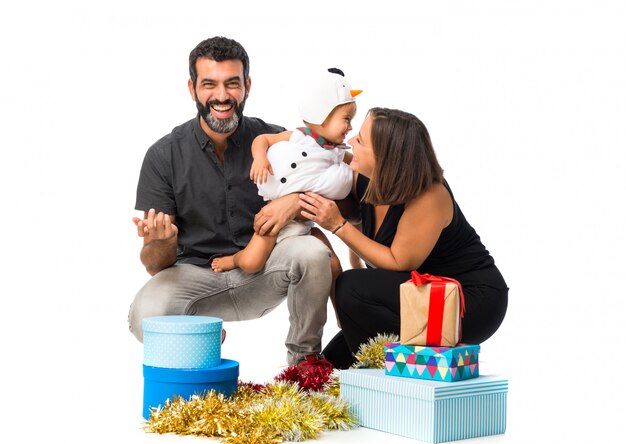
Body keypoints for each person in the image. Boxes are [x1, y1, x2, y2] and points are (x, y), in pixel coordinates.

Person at [129, 36, 334, 368]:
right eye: (209, 84)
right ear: (192, 88)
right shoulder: (163, 155)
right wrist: (164, 241)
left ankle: (304, 363)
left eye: (232, 84)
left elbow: (330, 192)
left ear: (247, 86)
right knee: (145, 316)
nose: (222, 96)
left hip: (265, 271)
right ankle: (205, 335)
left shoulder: (276, 141)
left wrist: (294, 200)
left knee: (311, 251)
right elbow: (155, 265)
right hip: (197, 281)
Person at [297, 107, 509, 369]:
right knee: (332, 362)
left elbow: (398, 262)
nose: (351, 142)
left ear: (386, 158)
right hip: (419, 296)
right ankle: (368, 379)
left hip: (469, 300)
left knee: (350, 287)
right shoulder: (365, 175)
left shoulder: (429, 195)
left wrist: (338, 225)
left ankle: (383, 386)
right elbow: (313, 170)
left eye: (361, 141)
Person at [210, 69, 361, 312]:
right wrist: (259, 159)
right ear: (323, 115)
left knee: (333, 265)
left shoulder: (337, 152)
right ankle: (234, 259)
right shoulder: (299, 137)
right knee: (251, 262)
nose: (350, 127)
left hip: (304, 225)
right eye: (346, 119)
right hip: (275, 220)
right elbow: (262, 140)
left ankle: (344, 319)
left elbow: (358, 167)